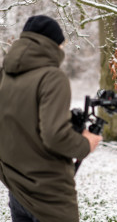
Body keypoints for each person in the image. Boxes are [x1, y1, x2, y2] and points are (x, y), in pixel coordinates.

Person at [0, 15, 102, 222]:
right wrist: (86, 144)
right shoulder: (52, 77)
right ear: (53, 44)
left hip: (17, 190)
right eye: (62, 45)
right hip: (51, 197)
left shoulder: (4, 75)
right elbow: (54, 135)